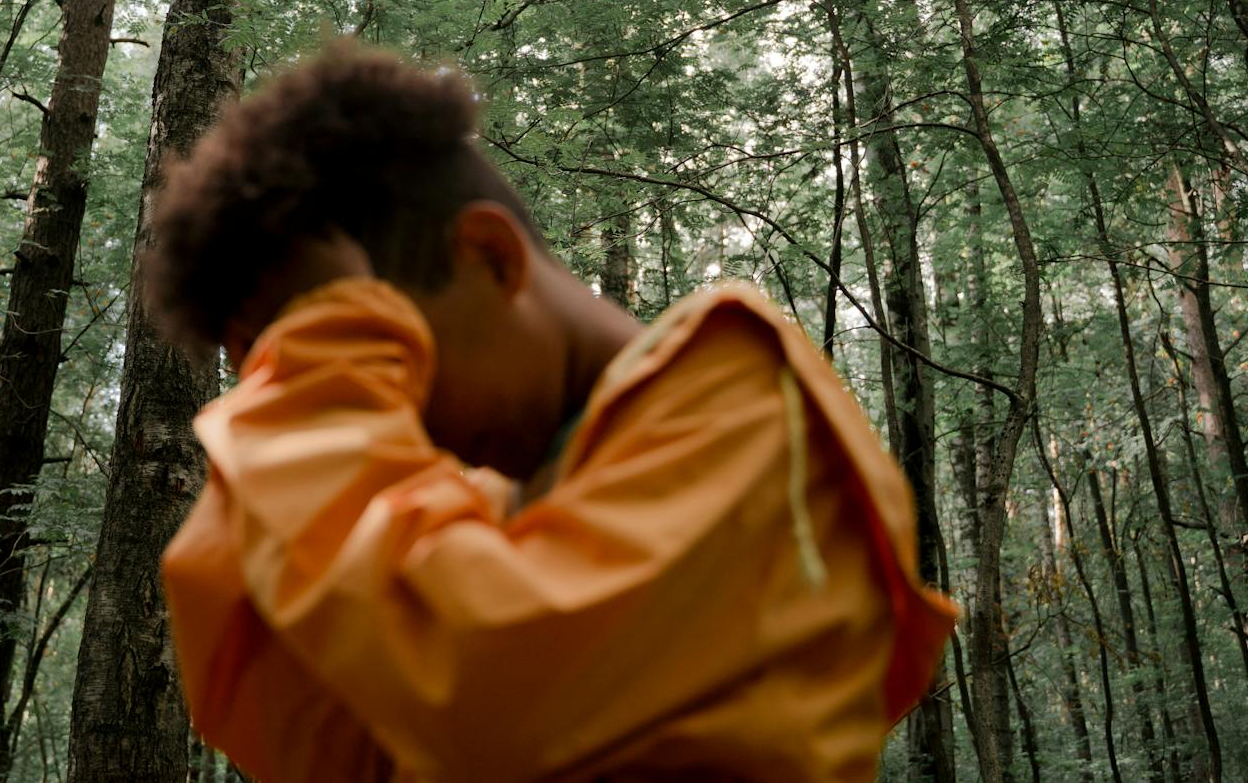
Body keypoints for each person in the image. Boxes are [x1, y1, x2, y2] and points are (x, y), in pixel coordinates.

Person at [147, 42, 957, 782]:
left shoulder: (741, 401)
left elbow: (484, 699)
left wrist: (326, 373)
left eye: (397, 362)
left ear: (490, 257)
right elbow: (311, 728)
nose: (408, 436)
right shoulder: (515, 519)